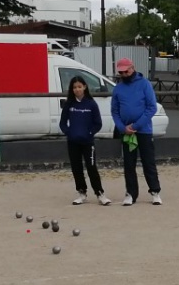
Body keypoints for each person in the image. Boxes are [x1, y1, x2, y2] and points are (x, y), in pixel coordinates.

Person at [110, 57, 161, 205]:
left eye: (126, 71)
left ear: (132, 68)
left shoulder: (144, 84)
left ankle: (155, 191)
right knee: (129, 163)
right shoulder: (118, 88)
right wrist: (122, 127)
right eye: (121, 72)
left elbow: (151, 107)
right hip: (126, 131)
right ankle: (131, 193)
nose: (124, 74)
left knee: (148, 161)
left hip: (143, 130)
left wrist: (136, 126)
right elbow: (115, 111)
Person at [60, 75, 111, 206]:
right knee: (76, 168)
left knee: (91, 167)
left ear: (84, 87)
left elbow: (98, 123)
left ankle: (100, 193)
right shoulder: (69, 104)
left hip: (88, 142)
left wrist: (89, 133)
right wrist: (69, 133)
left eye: (79, 87)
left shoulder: (91, 104)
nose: (77, 89)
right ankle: (82, 193)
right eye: (74, 87)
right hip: (73, 142)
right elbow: (62, 123)